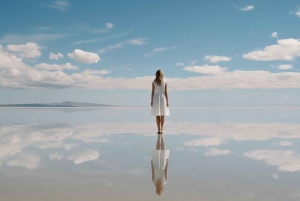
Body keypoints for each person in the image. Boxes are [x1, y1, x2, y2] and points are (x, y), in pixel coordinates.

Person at [151, 69, 170, 134]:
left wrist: (151, 100)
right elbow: (166, 92)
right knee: (162, 114)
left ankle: (159, 129)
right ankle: (161, 129)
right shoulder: (165, 81)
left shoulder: (154, 82)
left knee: (157, 114)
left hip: (156, 97)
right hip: (162, 98)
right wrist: (167, 101)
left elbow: (153, 92)